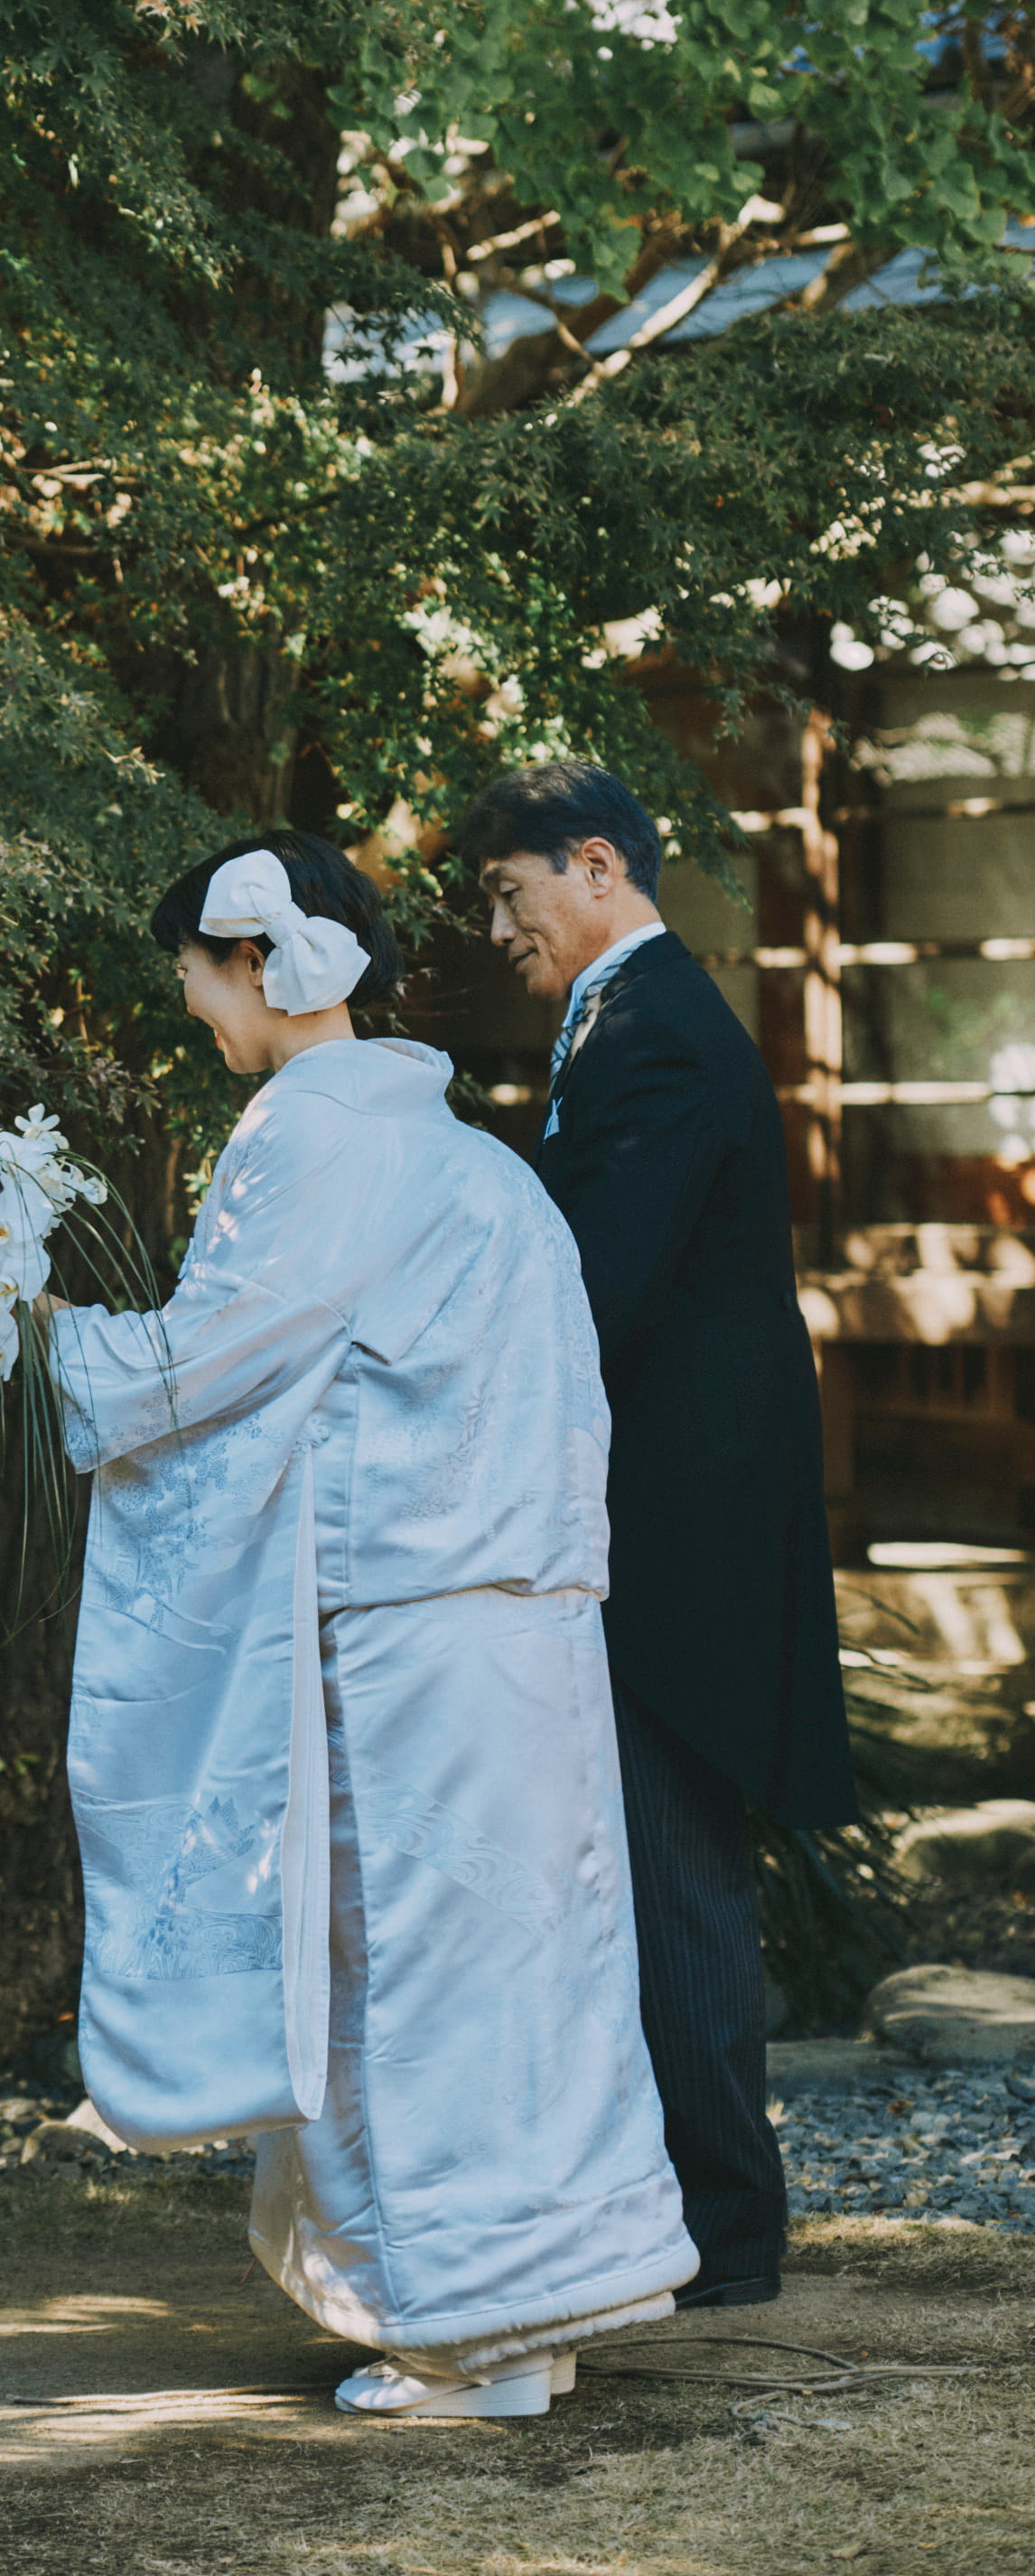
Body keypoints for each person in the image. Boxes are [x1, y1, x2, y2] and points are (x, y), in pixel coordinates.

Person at [43, 833, 697, 2421]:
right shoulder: (456, 1145)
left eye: (195, 975)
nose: (196, 1009)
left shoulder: (315, 1138)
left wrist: (45, 1331)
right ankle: (519, 2312)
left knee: (396, 1971)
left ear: (254, 961)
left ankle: (465, 2329)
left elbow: (215, 1360)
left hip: (405, 1618)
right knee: (521, 1967)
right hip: (520, 1618)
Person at [457, 759, 857, 2310]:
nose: (498, 927)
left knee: (673, 1858)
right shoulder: (632, 1019)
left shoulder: (657, 1038)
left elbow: (587, 1285)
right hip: (666, 1505)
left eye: (511, 892)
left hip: (679, 1526)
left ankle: (723, 2231)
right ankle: (689, 2209)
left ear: (599, 867)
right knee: (644, 1857)